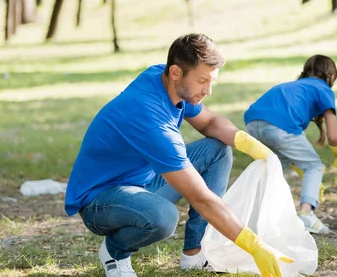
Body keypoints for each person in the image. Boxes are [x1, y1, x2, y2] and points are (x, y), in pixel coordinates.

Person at [64, 33, 294, 277]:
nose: (208, 91)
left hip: (140, 183)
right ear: (176, 72)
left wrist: (249, 144)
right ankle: (115, 252)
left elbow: (211, 122)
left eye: (211, 81)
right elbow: (202, 199)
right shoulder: (151, 119)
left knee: (217, 150)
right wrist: (254, 246)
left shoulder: (163, 79)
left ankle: (193, 254)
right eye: (203, 81)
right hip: (100, 200)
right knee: (162, 216)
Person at [244, 55, 337, 234]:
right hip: (280, 127)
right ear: (330, 75)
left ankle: (257, 216)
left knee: (274, 168)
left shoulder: (294, 86)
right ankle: (306, 215)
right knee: (313, 165)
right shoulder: (323, 89)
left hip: (252, 123)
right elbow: (333, 136)